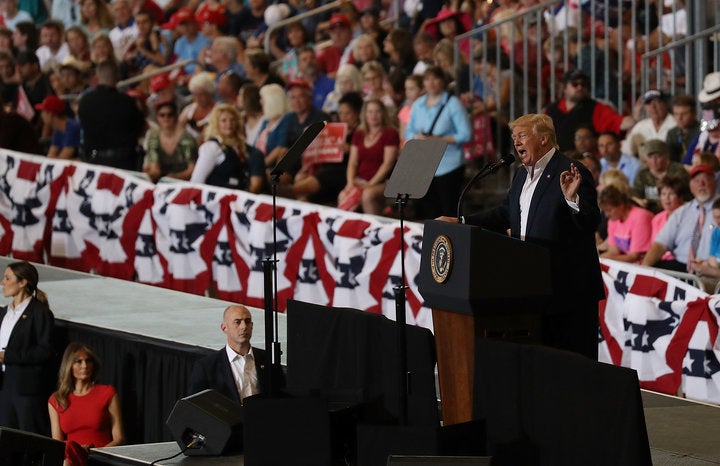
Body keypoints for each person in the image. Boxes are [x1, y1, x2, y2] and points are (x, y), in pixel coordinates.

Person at [439, 113, 604, 359]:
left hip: (568, 293)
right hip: (532, 286)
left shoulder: (571, 169)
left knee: (573, 368)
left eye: (522, 136)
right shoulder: (521, 175)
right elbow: (505, 213)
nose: (516, 142)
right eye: (514, 137)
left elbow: (591, 221)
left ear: (545, 139)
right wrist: (462, 221)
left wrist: (573, 200)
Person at [405, 66, 471, 219]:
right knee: (427, 209)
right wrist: (417, 137)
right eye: (427, 79)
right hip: (425, 164)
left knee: (448, 209)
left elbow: (466, 134)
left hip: (449, 164)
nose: (431, 83)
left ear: (443, 81)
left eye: (435, 78)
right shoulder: (418, 104)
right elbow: (408, 132)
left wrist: (440, 140)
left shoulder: (453, 103)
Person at [0, 261, 55, 435]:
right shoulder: (4, 312)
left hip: (25, 390)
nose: (3, 282)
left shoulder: (39, 313)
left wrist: (7, 356)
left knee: (26, 438)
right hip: (4, 385)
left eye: (8, 278)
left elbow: (44, 351)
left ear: (23, 282)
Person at [48, 342, 124, 466]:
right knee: (68, 449)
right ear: (69, 365)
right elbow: (57, 443)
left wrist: (92, 453)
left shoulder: (107, 393)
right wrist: (78, 452)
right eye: (79, 361)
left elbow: (119, 438)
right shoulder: (57, 399)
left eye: (88, 361)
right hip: (70, 457)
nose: (85, 366)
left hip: (100, 458)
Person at [189, 305, 272, 403]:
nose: (244, 326)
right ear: (224, 328)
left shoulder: (268, 359)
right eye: (237, 322)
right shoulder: (206, 367)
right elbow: (197, 406)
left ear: (252, 326)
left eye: (247, 321)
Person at [642, 164, 718, 272]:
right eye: (696, 181)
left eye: (705, 180)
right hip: (681, 265)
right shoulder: (681, 212)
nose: (701, 184)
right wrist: (645, 268)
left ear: (715, 183)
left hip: (710, 270)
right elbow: (660, 244)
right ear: (691, 186)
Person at [544, 69, 634, 153]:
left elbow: (619, 122)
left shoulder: (595, 108)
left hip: (585, 162)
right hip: (556, 161)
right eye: (575, 84)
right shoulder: (550, 110)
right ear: (564, 88)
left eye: (583, 84)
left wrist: (636, 120)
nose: (580, 87)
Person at [77, 60, 145, 170]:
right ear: (117, 76)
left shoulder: (85, 101)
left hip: (95, 161)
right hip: (124, 162)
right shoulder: (127, 101)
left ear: (97, 76)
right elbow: (139, 127)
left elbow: (84, 126)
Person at [338, 98, 399, 215]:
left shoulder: (390, 133)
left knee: (367, 195)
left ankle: (373, 229)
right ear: (364, 114)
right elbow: (353, 163)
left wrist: (370, 184)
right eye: (370, 112)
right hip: (361, 179)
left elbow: (388, 164)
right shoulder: (359, 134)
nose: (373, 115)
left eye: (377, 112)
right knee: (344, 194)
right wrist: (350, 183)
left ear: (383, 114)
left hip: (384, 181)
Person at [191, 103, 266, 192]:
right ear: (216, 124)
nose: (229, 124)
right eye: (224, 120)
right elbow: (197, 181)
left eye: (232, 120)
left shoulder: (240, 148)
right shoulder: (211, 147)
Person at [143, 100, 197, 182]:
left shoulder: (186, 139)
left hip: (184, 182)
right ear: (157, 118)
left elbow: (192, 169)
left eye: (170, 115)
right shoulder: (153, 136)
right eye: (162, 115)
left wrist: (174, 177)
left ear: (175, 117)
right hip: (161, 181)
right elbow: (154, 166)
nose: (166, 118)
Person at [598, 185, 654, 263]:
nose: (607, 215)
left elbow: (634, 256)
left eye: (609, 210)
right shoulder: (613, 220)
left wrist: (602, 259)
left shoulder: (640, 217)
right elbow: (613, 252)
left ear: (621, 205)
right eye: (605, 211)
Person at [632, 139, 688, 214]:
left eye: (658, 156)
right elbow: (636, 196)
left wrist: (651, 203)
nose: (654, 160)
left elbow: (683, 196)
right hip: (650, 213)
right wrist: (639, 201)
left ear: (666, 156)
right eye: (650, 157)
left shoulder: (677, 170)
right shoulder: (643, 174)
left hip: (677, 211)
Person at [622, 89, 676, 157]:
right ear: (644, 107)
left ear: (665, 104)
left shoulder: (676, 123)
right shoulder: (640, 126)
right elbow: (627, 152)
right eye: (648, 103)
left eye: (657, 102)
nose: (653, 107)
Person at [35, 95, 81, 159]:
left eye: (43, 112)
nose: (41, 115)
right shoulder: (58, 129)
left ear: (50, 114)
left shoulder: (72, 127)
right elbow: (51, 155)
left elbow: (64, 158)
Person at [665, 94, 700, 162]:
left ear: (694, 113)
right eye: (676, 114)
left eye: (684, 114)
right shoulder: (672, 133)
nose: (679, 118)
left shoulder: (702, 131)